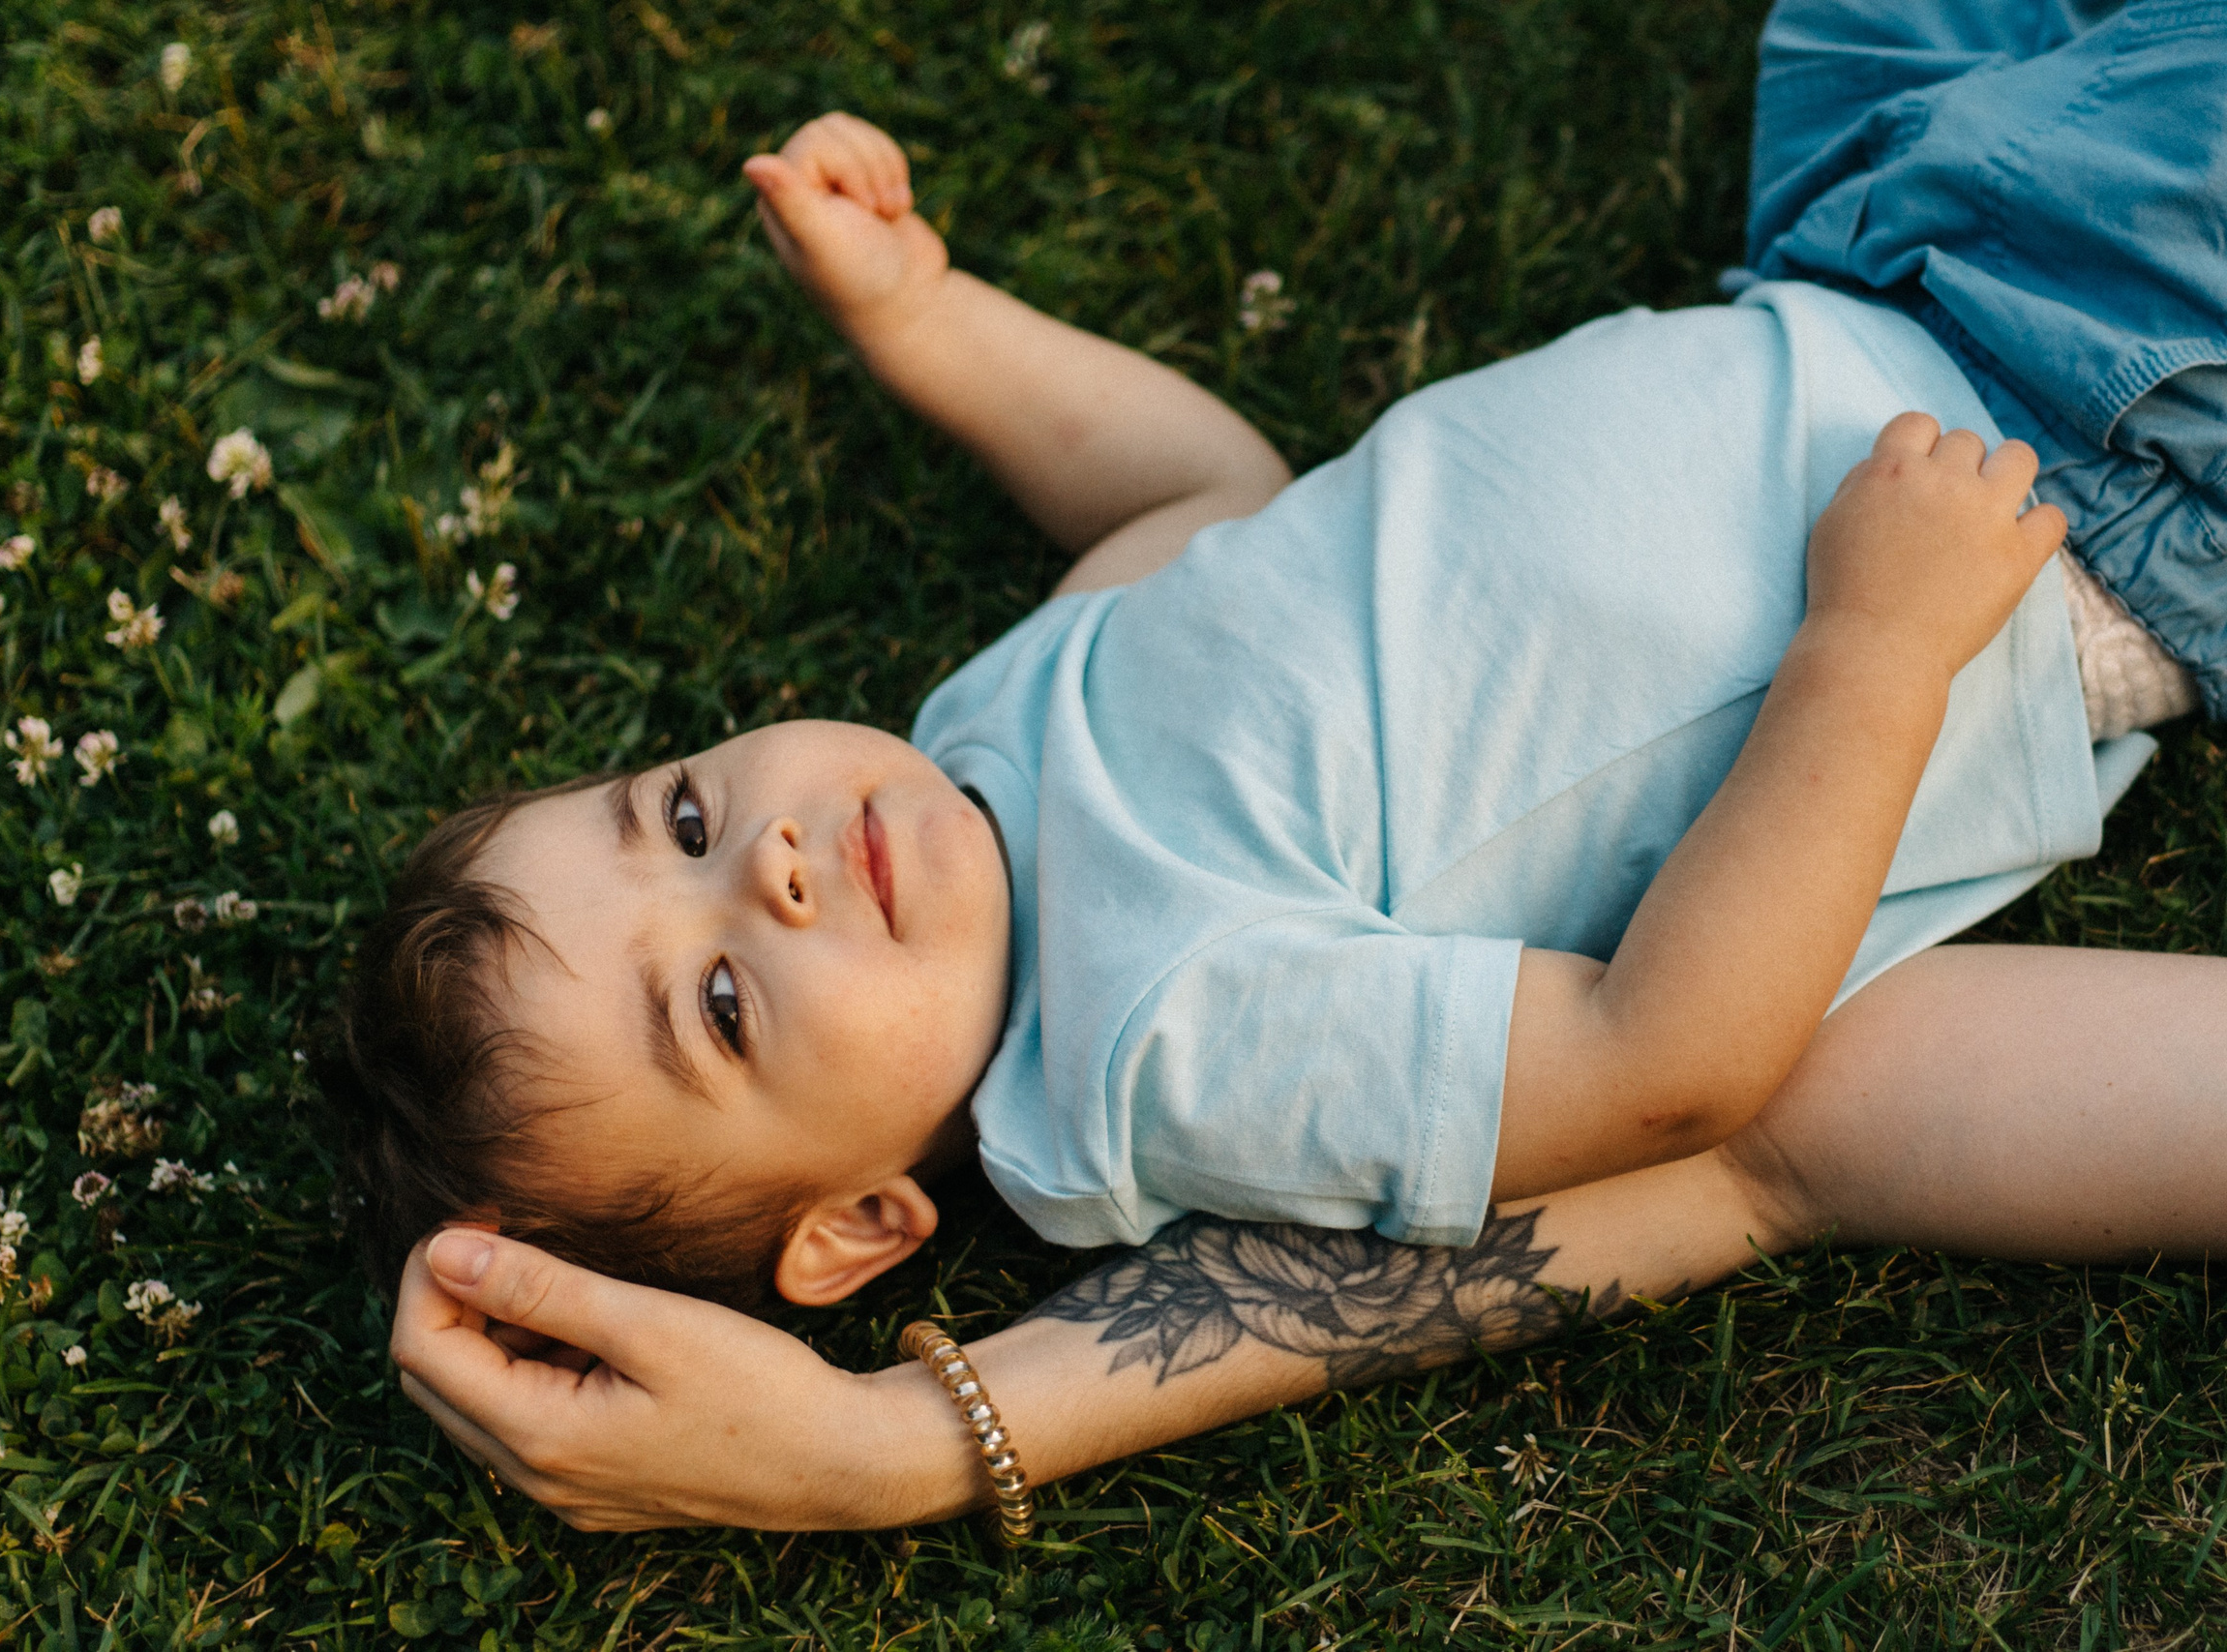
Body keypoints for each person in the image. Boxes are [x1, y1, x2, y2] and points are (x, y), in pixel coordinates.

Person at [377, 0, 2227, 1531]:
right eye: (715, 1002)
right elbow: (1667, 1064)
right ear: (861, 1224)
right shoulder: (1161, 1051)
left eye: (682, 815)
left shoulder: (979, 742)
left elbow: (1204, 496)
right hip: (2067, 466)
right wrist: (1876, 649)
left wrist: (926, 319)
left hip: (1857, 250)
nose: (765, 866)